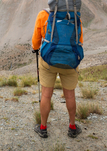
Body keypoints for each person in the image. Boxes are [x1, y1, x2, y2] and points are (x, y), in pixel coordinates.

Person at [32, 8, 82, 139]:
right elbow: (80, 40)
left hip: (49, 61)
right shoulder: (75, 15)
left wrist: (36, 48)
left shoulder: (43, 14)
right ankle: (72, 127)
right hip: (70, 62)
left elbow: (35, 41)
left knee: (46, 95)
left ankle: (43, 128)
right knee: (70, 96)